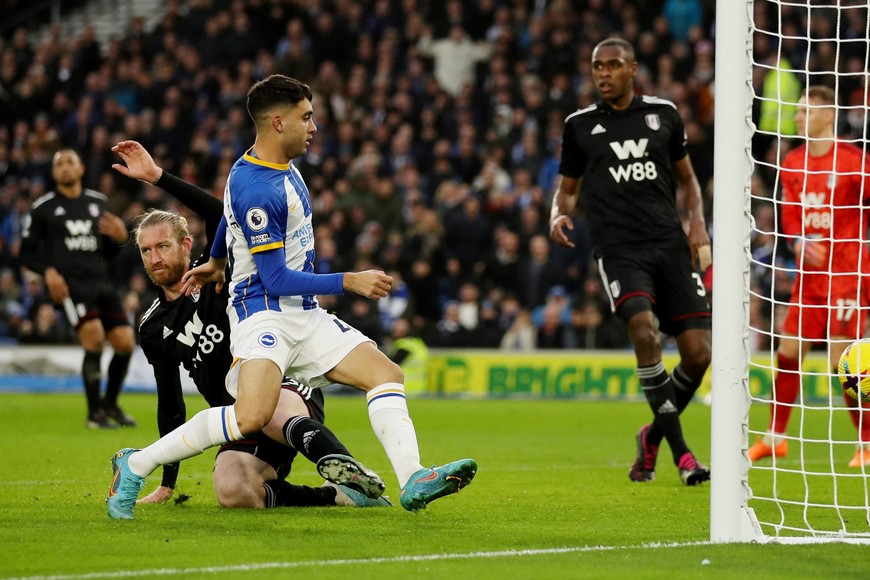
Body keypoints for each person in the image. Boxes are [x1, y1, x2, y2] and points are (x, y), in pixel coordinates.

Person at [106, 75, 476, 519]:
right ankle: (136, 464)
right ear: (278, 122)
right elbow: (276, 278)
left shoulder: (256, 167)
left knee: (385, 373)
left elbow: (225, 212)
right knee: (249, 417)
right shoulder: (262, 189)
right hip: (264, 316)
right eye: (307, 117)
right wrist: (348, 281)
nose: (314, 126)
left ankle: (414, 478)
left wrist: (220, 257)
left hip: (302, 313)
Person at [111, 140, 389, 510]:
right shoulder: (151, 326)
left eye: (162, 246)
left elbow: (220, 212)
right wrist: (167, 482)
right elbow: (171, 404)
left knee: (270, 409)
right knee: (233, 491)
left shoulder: (222, 276)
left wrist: (157, 177)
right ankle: (339, 495)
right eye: (146, 251)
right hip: (236, 416)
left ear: (186, 244)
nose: (154, 257)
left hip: (284, 382)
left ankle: (345, 465)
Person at [549, 38, 712, 486]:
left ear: (633, 69)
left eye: (613, 65)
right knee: (644, 331)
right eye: (597, 66)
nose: (603, 73)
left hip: (670, 245)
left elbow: (689, 181)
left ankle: (651, 436)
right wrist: (557, 213)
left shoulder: (663, 115)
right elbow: (567, 188)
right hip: (620, 250)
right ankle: (684, 457)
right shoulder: (579, 126)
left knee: (699, 355)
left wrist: (698, 223)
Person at [748, 85, 870, 467]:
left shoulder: (854, 161)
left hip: (848, 274)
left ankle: (866, 442)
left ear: (827, 115)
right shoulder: (793, 162)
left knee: (842, 362)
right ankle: (775, 437)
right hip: (811, 277)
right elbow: (790, 216)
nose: (798, 117)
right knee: (787, 351)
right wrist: (798, 242)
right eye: (798, 112)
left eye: (805, 111)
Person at [19, 149, 137, 430]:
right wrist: (48, 271)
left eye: (71, 162)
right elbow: (25, 253)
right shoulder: (43, 208)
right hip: (71, 286)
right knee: (94, 338)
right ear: (54, 172)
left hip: (101, 281)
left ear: (82, 168)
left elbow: (107, 252)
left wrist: (121, 239)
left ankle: (110, 404)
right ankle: (94, 414)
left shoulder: (99, 203)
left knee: (125, 343)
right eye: (59, 164)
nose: (66, 168)